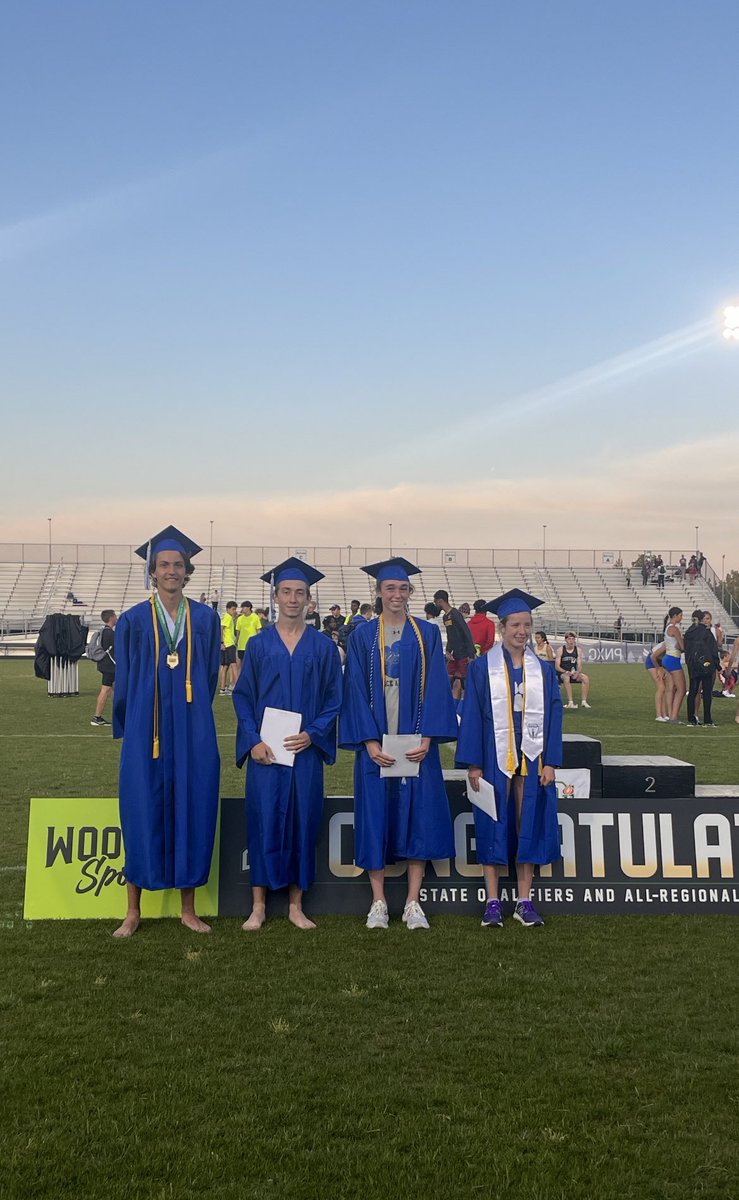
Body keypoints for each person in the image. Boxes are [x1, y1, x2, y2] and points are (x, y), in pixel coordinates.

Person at [112, 526, 221, 937]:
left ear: (187, 571)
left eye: (178, 565)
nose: (171, 571)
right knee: (142, 808)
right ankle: (132, 910)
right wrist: (136, 722)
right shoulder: (133, 621)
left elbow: (209, 676)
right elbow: (123, 683)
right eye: (163, 565)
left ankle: (188, 909)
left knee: (193, 806)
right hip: (147, 730)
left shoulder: (206, 619)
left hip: (193, 729)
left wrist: (191, 716)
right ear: (152, 572)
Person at [340, 558, 458, 931]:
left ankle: (412, 902)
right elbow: (354, 689)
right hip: (377, 747)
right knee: (375, 817)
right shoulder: (361, 635)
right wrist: (369, 742)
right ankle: (378, 902)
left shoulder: (425, 633)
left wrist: (428, 738)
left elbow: (439, 686)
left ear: (410, 593)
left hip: (416, 746)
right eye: (390, 588)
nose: (396, 594)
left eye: (403, 588)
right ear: (378, 592)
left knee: (418, 818)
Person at [233, 558, 342, 931]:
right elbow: (243, 697)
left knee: (303, 821)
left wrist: (314, 733)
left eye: (300, 593)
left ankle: (297, 905)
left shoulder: (324, 647)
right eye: (286, 592)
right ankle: (259, 905)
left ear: (310, 600)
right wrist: (252, 741)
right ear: (275, 596)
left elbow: (334, 698)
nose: (293, 599)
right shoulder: (259, 644)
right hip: (267, 752)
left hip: (304, 750)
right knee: (263, 819)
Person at [456, 589, 563, 929]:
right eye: (515, 624)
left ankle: (524, 901)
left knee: (526, 822)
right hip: (492, 753)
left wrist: (551, 761)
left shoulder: (543, 671)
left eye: (527, 625)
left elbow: (554, 716)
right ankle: (491, 901)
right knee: (492, 822)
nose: (522, 631)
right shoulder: (480, 669)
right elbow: (471, 713)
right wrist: (473, 761)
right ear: (501, 628)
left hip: (532, 758)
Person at [433, 588, 476, 701]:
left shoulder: (456, 614)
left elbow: (466, 633)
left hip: (463, 654)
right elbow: (450, 635)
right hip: (454, 655)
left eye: (436, 601)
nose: (435, 604)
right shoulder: (445, 617)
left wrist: (471, 655)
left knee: (464, 682)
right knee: (449, 678)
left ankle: (468, 704)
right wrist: (448, 650)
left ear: (441, 601)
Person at [684, 610, 720, 727]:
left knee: (693, 691)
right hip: (706, 665)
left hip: (693, 665)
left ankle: (691, 719)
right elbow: (713, 650)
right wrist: (717, 665)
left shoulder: (689, 632)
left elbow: (686, 650)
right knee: (707, 692)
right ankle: (707, 720)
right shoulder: (706, 632)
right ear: (701, 619)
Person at [91, 609, 117, 726]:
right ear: (111, 618)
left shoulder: (104, 631)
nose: (116, 618)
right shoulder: (109, 633)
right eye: (115, 616)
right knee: (106, 690)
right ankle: (97, 717)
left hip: (106, 665)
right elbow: (114, 651)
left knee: (112, 690)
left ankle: (118, 714)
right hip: (110, 666)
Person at [661, 607, 686, 723]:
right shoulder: (674, 629)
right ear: (675, 616)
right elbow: (682, 647)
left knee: (671, 689)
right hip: (673, 659)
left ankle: (671, 714)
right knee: (682, 689)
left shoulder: (667, 628)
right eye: (681, 615)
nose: (682, 618)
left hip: (667, 658)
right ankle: (674, 717)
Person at [555, 633, 591, 709]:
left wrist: (578, 672)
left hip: (574, 672)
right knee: (566, 677)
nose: (571, 641)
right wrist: (565, 671)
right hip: (563, 673)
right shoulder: (560, 650)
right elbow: (557, 666)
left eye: (573, 639)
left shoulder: (578, 650)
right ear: (565, 640)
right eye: (569, 639)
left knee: (585, 678)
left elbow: (579, 664)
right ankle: (570, 702)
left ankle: (584, 701)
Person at [646, 641, 669, 721]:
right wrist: (659, 669)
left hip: (661, 662)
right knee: (661, 688)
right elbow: (653, 656)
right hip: (652, 661)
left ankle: (664, 714)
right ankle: (659, 715)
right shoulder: (668, 643)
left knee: (664, 689)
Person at [219, 601, 239, 694]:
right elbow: (221, 629)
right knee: (234, 665)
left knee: (225, 666)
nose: (234, 611)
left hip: (227, 643)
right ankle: (237, 686)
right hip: (229, 644)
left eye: (235, 609)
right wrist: (221, 642)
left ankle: (222, 688)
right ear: (228, 609)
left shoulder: (229, 617)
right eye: (233, 609)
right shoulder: (227, 617)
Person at [236, 601, 262, 668]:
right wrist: (236, 641)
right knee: (242, 664)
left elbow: (258, 630)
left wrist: (259, 642)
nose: (242, 609)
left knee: (252, 664)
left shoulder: (255, 617)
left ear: (248, 608)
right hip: (241, 645)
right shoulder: (240, 618)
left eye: (243, 607)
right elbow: (238, 631)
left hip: (252, 645)